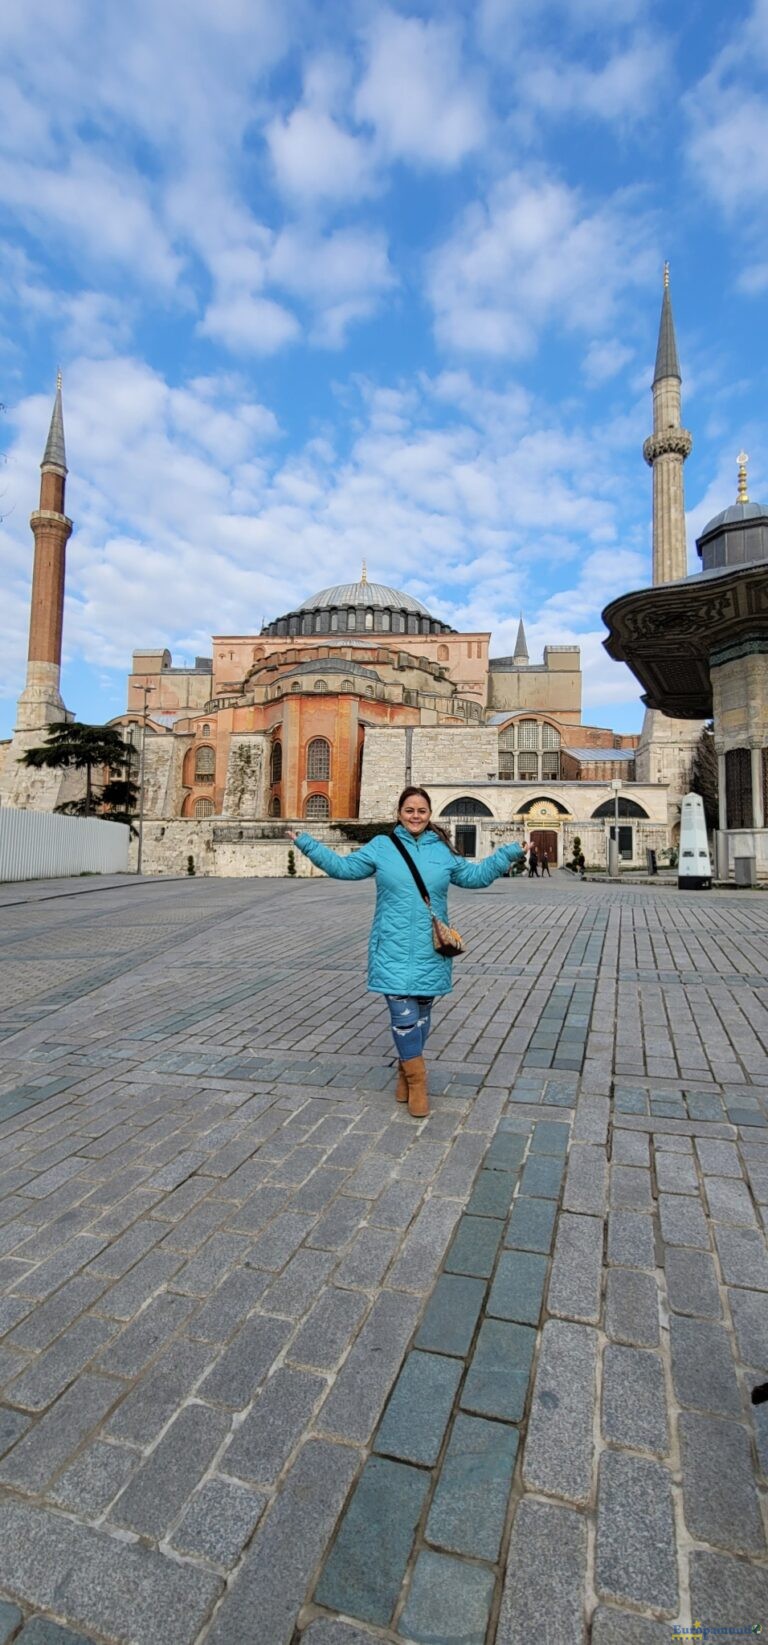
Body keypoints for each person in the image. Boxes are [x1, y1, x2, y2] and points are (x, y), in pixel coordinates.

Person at [288, 788, 527, 1118]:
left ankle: (404, 1072)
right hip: (393, 947)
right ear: (399, 812)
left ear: (430, 815)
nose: (416, 816)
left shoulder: (442, 851)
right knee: (403, 1018)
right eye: (409, 810)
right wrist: (306, 843)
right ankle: (418, 1082)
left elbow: (473, 877)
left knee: (422, 1017)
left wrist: (509, 853)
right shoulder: (382, 847)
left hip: (432, 949)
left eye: (422, 811)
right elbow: (343, 868)